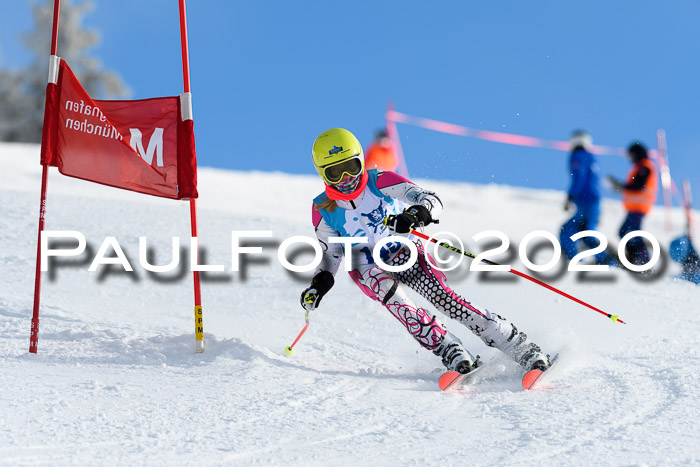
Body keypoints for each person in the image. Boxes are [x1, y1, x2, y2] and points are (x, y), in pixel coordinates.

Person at [301, 128, 552, 375]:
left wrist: (414, 214)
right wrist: (319, 283)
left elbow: (430, 199)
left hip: (405, 252)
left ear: (361, 161)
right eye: (335, 172)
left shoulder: (380, 181)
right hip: (368, 266)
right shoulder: (323, 208)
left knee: (445, 300)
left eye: (351, 167)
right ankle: (449, 348)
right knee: (402, 306)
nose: (346, 178)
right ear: (323, 174)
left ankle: (517, 345)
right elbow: (330, 254)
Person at [608, 142, 658, 265]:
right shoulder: (639, 167)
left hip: (639, 207)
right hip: (634, 208)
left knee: (633, 233)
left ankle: (644, 261)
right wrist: (622, 186)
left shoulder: (644, 166)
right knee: (624, 232)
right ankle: (633, 259)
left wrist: (622, 186)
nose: (630, 158)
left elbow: (639, 185)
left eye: (631, 155)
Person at [560, 131, 601, 260]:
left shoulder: (578, 156)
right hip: (592, 200)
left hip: (585, 200)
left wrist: (571, 196)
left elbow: (579, 177)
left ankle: (578, 261)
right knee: (584, 232)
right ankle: (606, 260)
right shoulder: (591, 156)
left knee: (570, 232)